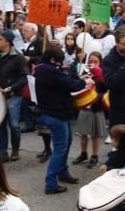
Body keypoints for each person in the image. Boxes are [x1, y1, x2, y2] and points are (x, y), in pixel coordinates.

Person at [34, 46, 89, 195]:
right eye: (58, 62)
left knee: (67, 142)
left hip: (57, 112)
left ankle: (63, 173)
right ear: (53, 60)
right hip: (55, 113)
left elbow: (63, 78)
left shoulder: (42, 68)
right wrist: (83, 81)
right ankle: (50, 183)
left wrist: (73, 75)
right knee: (60, 148)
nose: (60, 64)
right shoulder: (51, 71)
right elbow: (70, 84)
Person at [0, 29, 27, 162]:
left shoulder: (18, 57)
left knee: (14, 125)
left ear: (8, 42)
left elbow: (24, 78)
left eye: (0, 39)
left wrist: (11, 88)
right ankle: (3, 151)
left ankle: (15, 148)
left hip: (13, 95)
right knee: (1, 124)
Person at [72, 51, 106, 169]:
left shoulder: (103, 75)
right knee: (83, 133)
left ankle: (95, 156)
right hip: (84, 106)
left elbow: (106, 91)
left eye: (95, 61)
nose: (92, 63)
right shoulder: (85, 73)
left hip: (96, 107)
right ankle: (83, 154)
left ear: (100, 63)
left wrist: (96, 95)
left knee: (95, 134)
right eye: (90, 61)